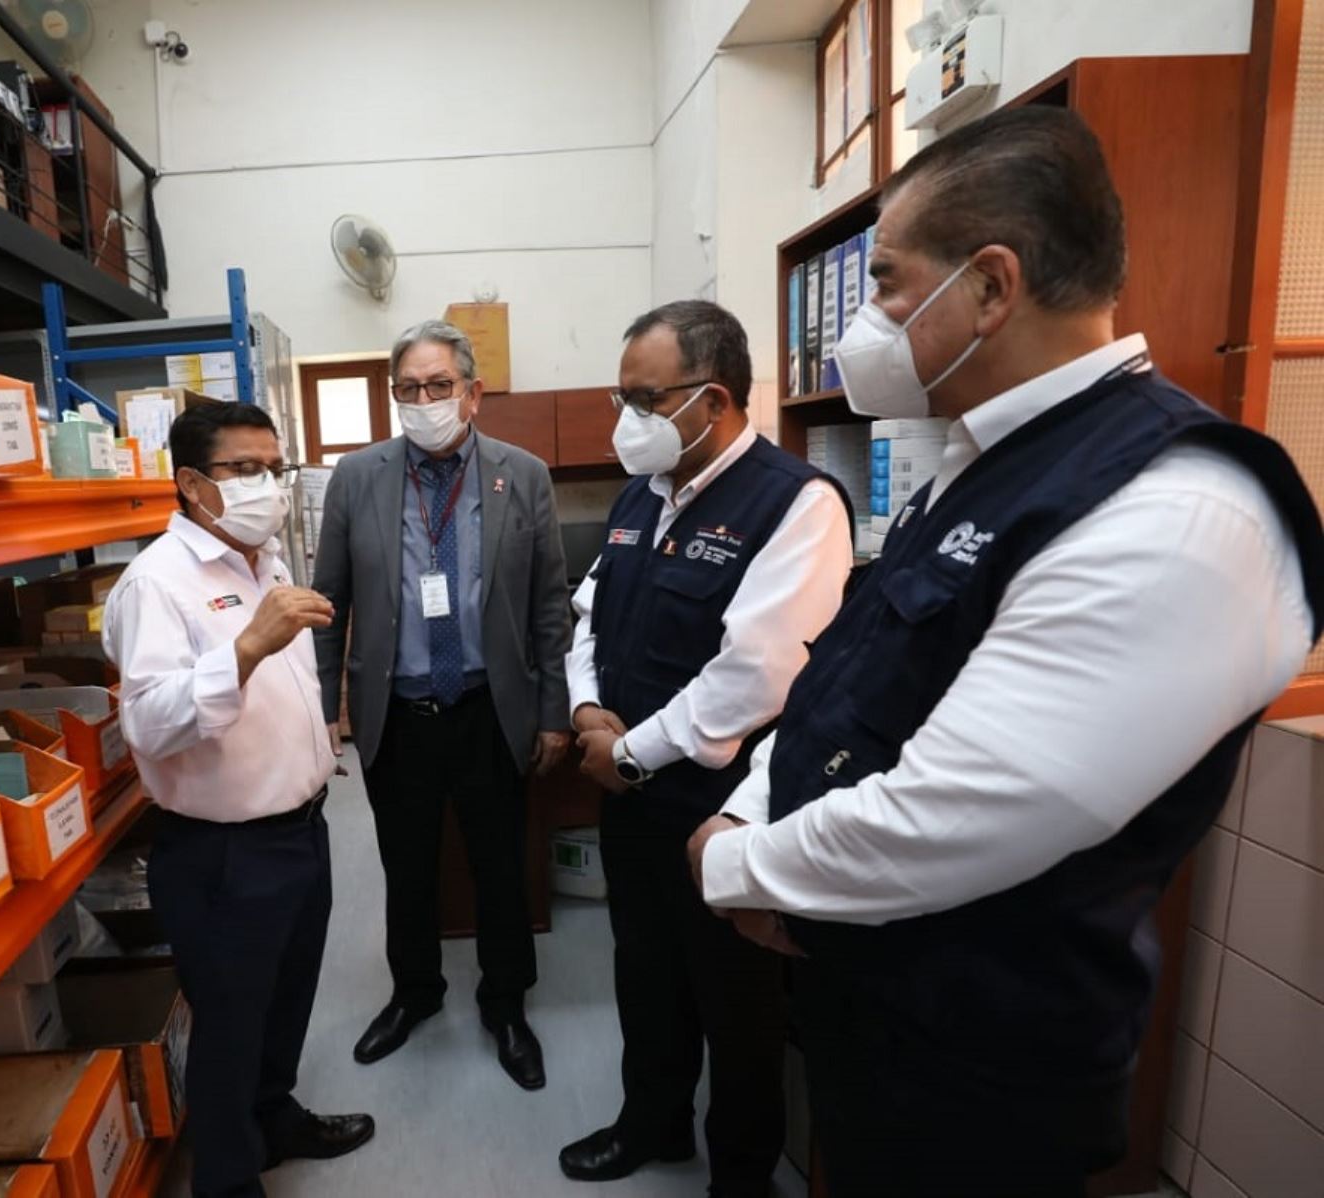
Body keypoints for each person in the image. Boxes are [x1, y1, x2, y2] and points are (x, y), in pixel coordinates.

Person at [690, 105, 1324, 1197]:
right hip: (875, 1013)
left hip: (981, 1070)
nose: (869, 321)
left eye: (887, 283)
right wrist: (753, 802)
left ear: (991, 286)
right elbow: (848, 676)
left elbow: (962, 813)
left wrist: (732, 862)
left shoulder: (1178, 507)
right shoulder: (977, 461)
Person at [557, 301, 853, 1194]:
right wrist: (584, 713)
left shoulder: (795, 503)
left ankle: (741, 1173)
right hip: (631, 792)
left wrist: (631, 751)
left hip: (719, 808)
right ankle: (652, 1121)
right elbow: (586, 618)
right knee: (644, 973)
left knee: (737, 1002)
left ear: (712, 397)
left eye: (643, 399)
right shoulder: (638, 496)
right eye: (622, 396)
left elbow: (754, 674)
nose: (626, 419)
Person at [104, 401, 375, 1198]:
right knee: (229, 1026)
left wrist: (318, 746)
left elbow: (280, 693)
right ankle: (226, 1178)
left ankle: (274, 1116)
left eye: (274, 468)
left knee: (287, 1000)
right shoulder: (155, 583)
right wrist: (251, 643)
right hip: (224, 854)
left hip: (301, 831)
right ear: (191, 483)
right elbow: (149, 724)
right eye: (244, 469)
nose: (267, 486)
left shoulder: (263, 561)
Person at [312, 320, 573, 1091]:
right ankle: (415, 992)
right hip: (399, 713)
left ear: (472, 392)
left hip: (492, 710)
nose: (423, 401)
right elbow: (327, 600)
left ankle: (506, 1004)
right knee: (408, 867)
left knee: (501, 867)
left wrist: (553, 712)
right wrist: (326, 708)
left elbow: (548, 606)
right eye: (407, 389)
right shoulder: (357, 477)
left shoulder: (522, 474)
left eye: (437, 386)